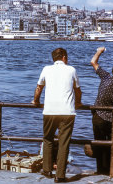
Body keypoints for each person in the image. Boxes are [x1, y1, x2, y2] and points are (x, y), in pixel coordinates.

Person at [32, 47, 82, 182]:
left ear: (53, 58)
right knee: (63, 142)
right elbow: (77, 90)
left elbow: (39, 88)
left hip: (49, 111)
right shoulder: (71, 70)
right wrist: (78, 102)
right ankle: (60, 175)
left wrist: (36, 101)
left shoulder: (46, 69)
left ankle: (47, 170)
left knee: (47, 139)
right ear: (64, 57)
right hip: (67, 112)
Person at [90, 47, 113, 176]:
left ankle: (102, 171)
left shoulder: (106, 77)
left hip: (98, 115)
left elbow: (93, 62)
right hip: (112, 119)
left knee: (99, 143)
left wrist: (99, 51)